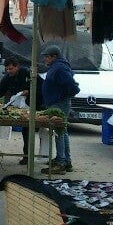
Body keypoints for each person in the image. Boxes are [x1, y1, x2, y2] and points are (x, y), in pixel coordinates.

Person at [0, 57, 39, 165]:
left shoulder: (27, 73)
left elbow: (38, 86)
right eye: (7, 69)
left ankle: (27, 156)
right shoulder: (7, 77)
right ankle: (26, 156)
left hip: (31, 105)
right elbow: (1, 89)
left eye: (11, 69)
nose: (9, 71)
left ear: (17, 67)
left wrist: (29, 91)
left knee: (27, 131)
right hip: (17, 106)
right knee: (25, 131)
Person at [40, 45, 78, 175]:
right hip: (57, 102)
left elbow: (71, 85)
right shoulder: (57, 67)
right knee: (63, 130)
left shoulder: (60, 68)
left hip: (59, 104)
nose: (45, 59)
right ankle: (65, 160)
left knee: (59, 131)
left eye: (46, 57)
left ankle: (61, 162)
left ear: (54, 56)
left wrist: (63, 96)